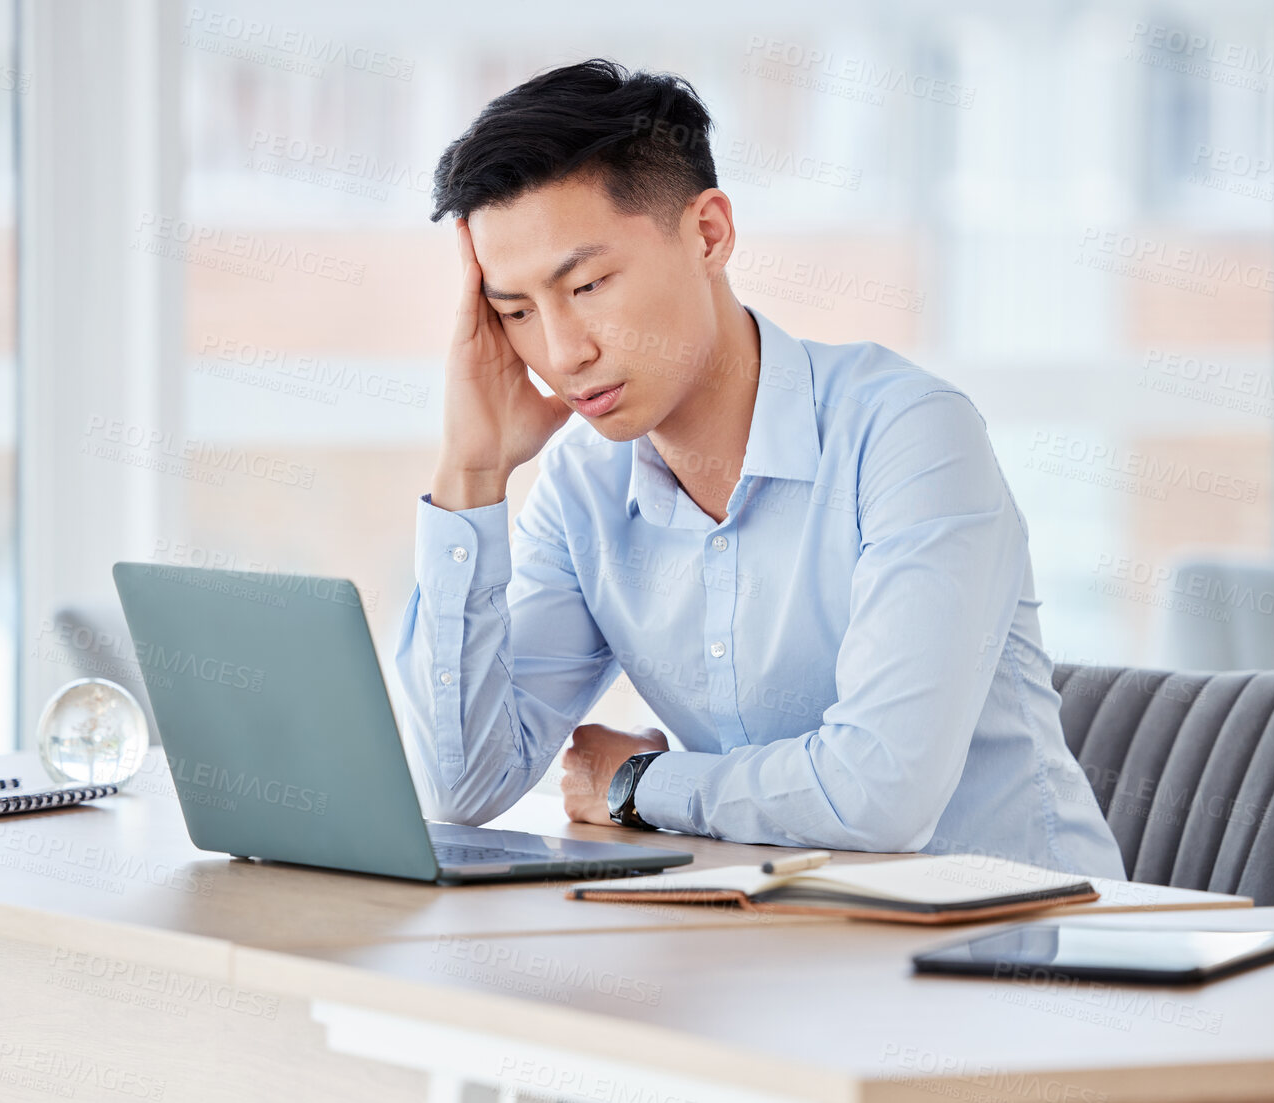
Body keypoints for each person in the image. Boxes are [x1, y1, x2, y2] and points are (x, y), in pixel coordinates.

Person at [394, 58, 1126, 877]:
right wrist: (471, 471)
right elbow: (461, 784)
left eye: (590, 284)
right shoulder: (584, 488)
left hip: (1024, 957)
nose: (563, 352)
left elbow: (880, 794)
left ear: (709, 233)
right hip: (784, 954)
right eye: (517, 312)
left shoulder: (908, 435)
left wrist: (640, 782)